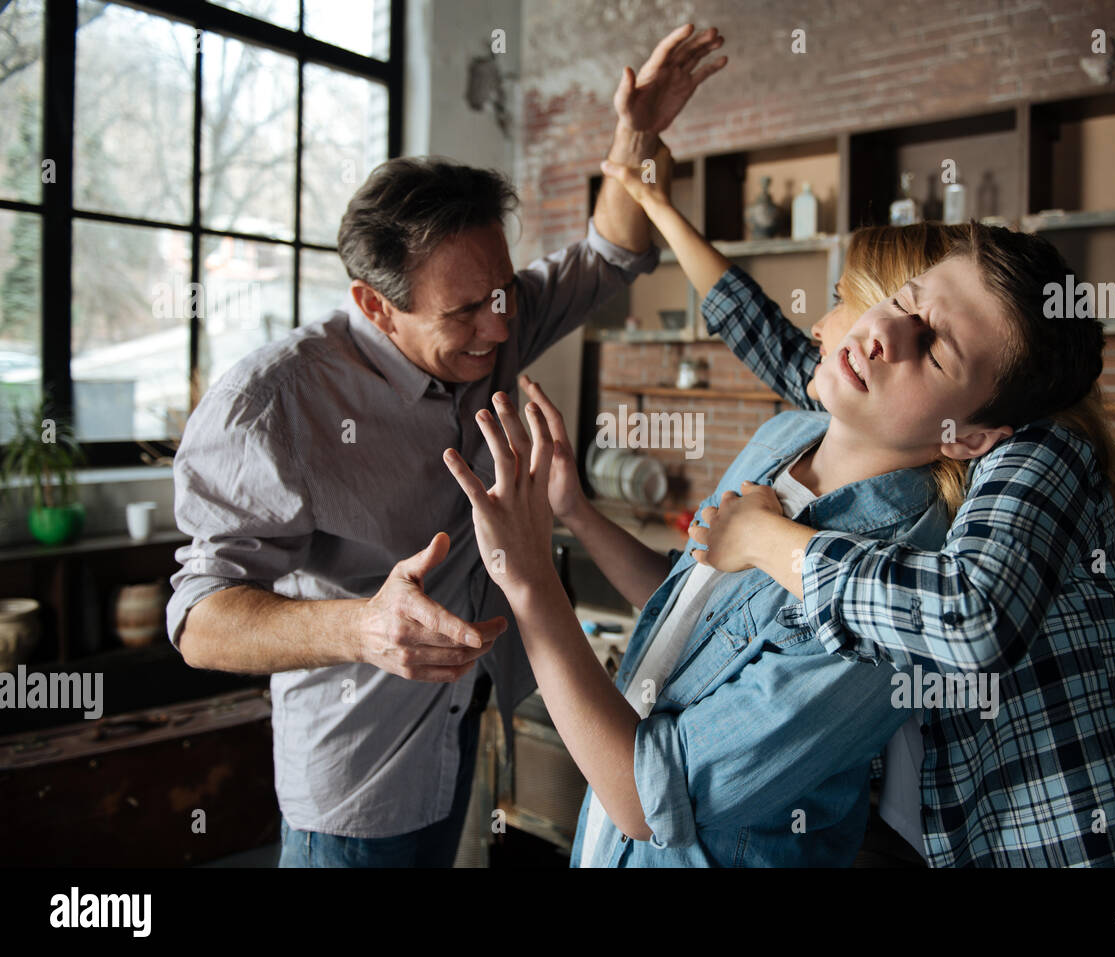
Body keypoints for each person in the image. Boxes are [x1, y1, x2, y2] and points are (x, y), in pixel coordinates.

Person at [164, 24, 728, 868]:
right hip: (356, 783)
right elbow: (197, 621)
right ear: (376, 303)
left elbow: (612, 253)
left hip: (467, 730)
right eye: (464, 311)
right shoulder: (271, 405)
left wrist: (636, 136)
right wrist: (362, 626)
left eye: (502, 293)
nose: (501, 325)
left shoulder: (491, 326)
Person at [597, 144, 1115, 866]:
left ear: (978, 431)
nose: (846, 329)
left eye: (848, 296)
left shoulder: (1039, 450)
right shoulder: (902, 407)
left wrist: (765, 538)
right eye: (900, 304)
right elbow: (771, 341)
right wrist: (658, 205)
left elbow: (969, 617)